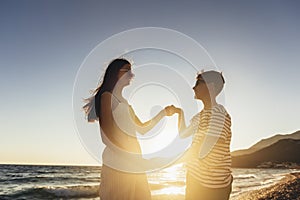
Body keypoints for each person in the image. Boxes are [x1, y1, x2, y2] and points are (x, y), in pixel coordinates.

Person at [83, 58, 174, 200]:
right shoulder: (107, 97)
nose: (132, 75)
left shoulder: (125, 103)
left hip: (134, 161)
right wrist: (130, 157)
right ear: (115, 73)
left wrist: (163, 113)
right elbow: (106, 137)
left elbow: (142, 129)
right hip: (117, 163)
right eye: (127, 70)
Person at [172, 70, 233, 200]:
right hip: (195, 178)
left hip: (215, 185)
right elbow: (183, 134)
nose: (193, 87)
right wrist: (180, 113)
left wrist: (166, 161)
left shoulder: (219, 112)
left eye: (198, 83)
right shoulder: (199, 116)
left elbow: (206, 146)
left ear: (210, 86)